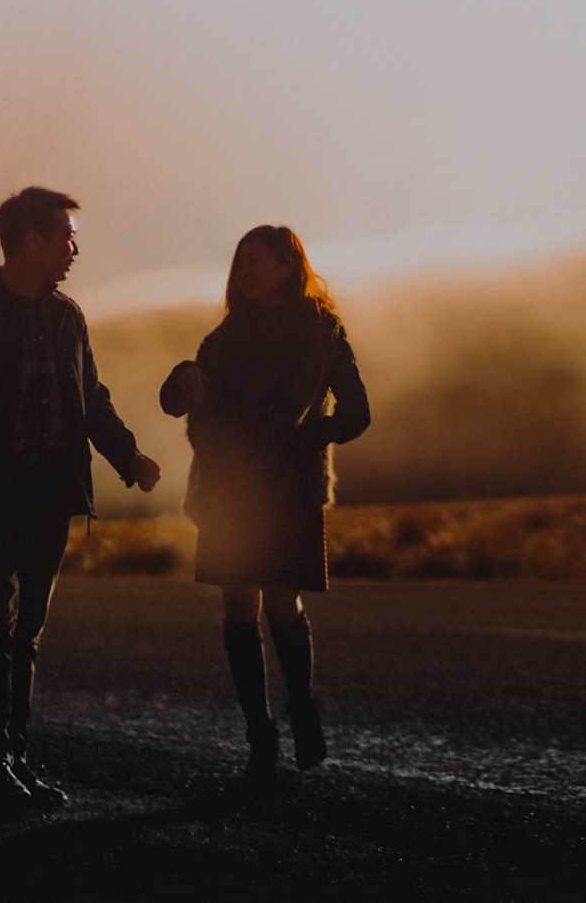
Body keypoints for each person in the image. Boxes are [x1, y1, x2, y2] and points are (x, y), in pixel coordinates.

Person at [0, 187, 161, 812]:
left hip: (50, 496)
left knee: (26, 635)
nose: (75, 249)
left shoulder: (67, 316)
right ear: (31, 241)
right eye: (66, 236)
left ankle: (13, 760)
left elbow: (91, 398)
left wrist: (127, 457)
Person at [160, 225, 370, 781]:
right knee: (238, 606)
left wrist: (306, 439)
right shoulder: (224, 338)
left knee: (280, 602)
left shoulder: (322, 331)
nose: (244, 272)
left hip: (286, 488)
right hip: (229, 489)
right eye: (239, 263)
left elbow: (356, 415)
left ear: (287, 263)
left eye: (255, 261)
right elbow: (171, 403)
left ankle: (301, 713)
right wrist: (181, 373)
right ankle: (261, 736)